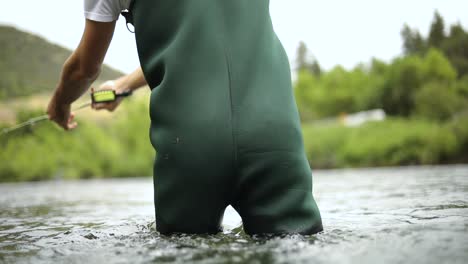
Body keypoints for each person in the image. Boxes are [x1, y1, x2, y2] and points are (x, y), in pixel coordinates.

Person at [47, 0, 323, 235]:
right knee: (296, 246)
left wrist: (60, 101)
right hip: (274, 133)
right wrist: (124, 85)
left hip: (190, 144)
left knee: (185, 248)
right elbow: (204, 37)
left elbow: (84, 69)